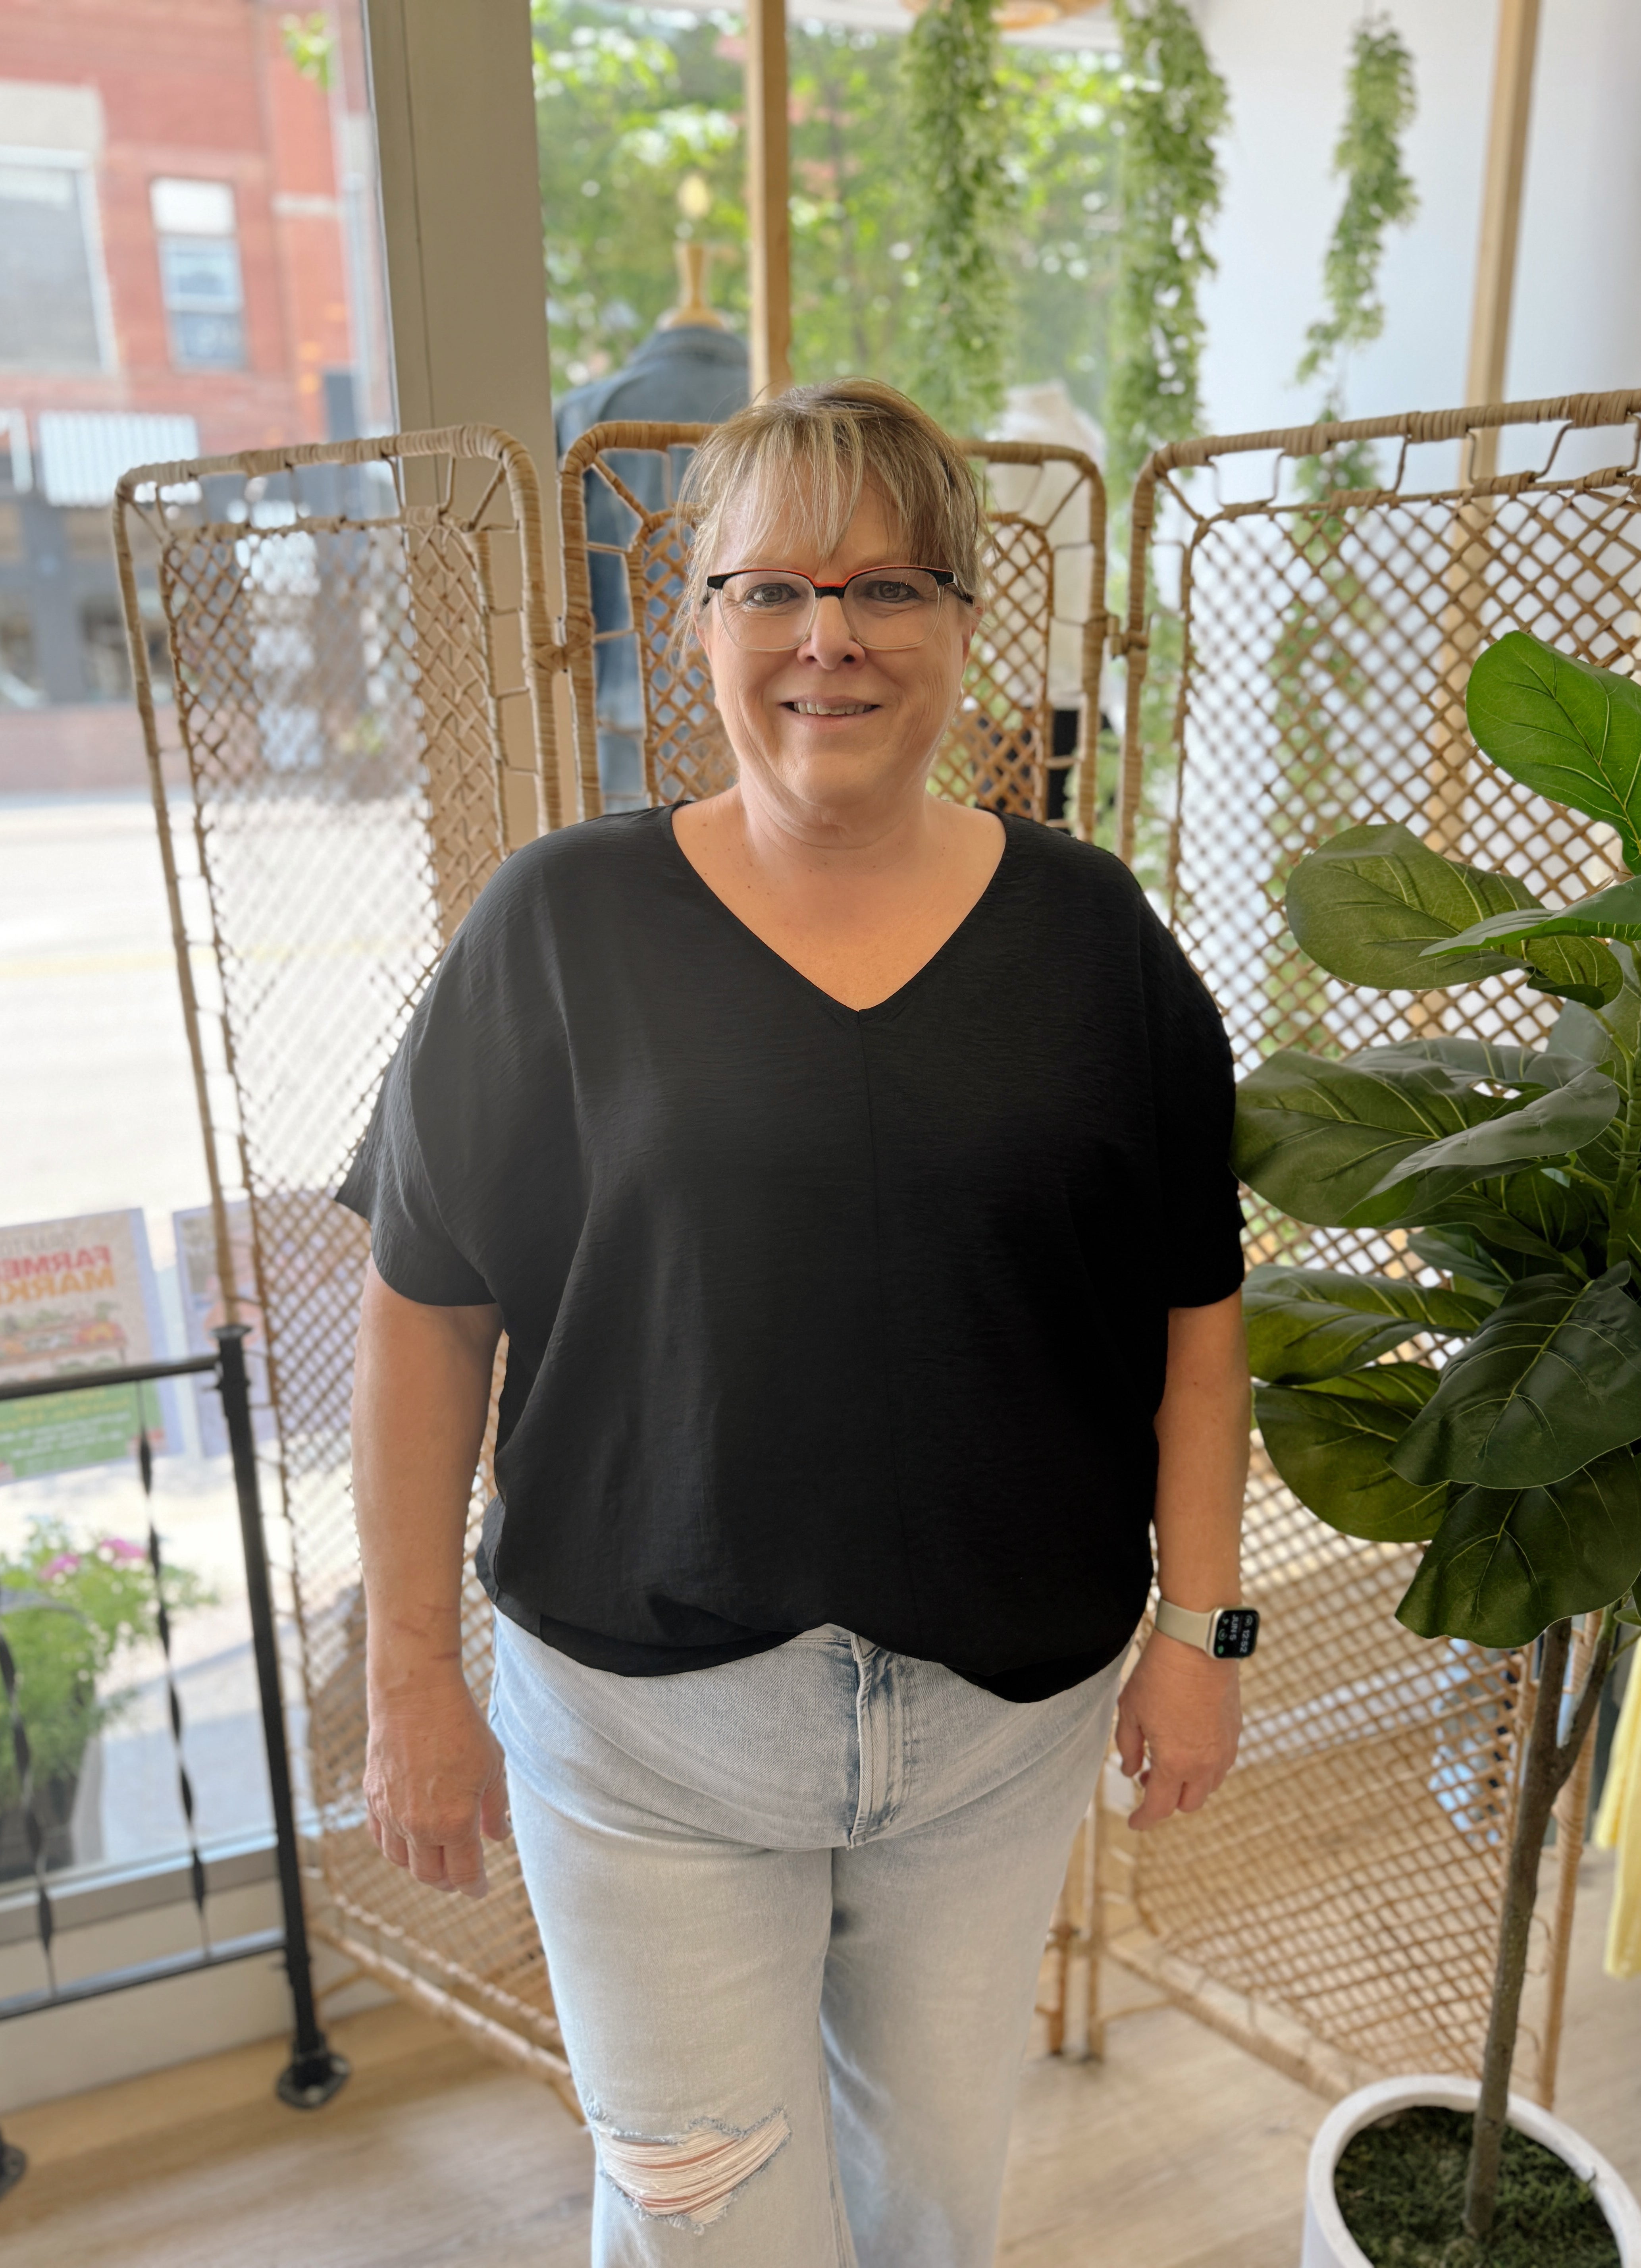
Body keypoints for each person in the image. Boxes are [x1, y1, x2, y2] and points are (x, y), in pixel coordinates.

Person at [341, 378, 1250, 2268]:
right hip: (644, 1727)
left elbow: (1194, 1313)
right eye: (770, 588)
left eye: (888, 585)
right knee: (710, 2225)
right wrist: (412, 1676)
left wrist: (1202, 1630)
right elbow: (425, 1317)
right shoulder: (558, 928)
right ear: (696, 622)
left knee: (926, 2209)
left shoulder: (1096, 942)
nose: (828, 636)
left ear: (962, 623)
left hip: (1000, 1724)